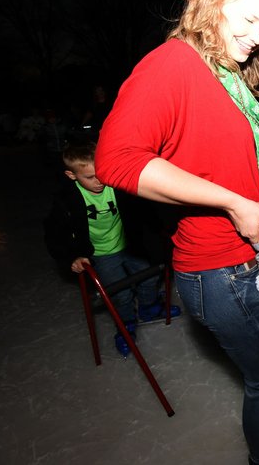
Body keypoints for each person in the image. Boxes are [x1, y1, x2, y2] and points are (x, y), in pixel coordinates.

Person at [94, 0, 259, 464]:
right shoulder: (174, 64)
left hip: (248, 257)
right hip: (218, 271)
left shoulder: (225, 74)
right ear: (213, 2)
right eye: (248, 20)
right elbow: (115, 161)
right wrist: (231, 202)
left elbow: (254, 156)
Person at [43, 139, 182, 359]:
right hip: (100, 254)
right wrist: (71, 256)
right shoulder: (65, 201)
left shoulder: (116, 185)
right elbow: (54, 234)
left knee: (149, 276)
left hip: (130, 244)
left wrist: (160, 231)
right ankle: (125, 324)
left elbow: (144, 210)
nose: (99, 180)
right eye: (89, 177)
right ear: (72, 176)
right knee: (120, 293)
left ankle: (148, 307)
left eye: (102, 172)